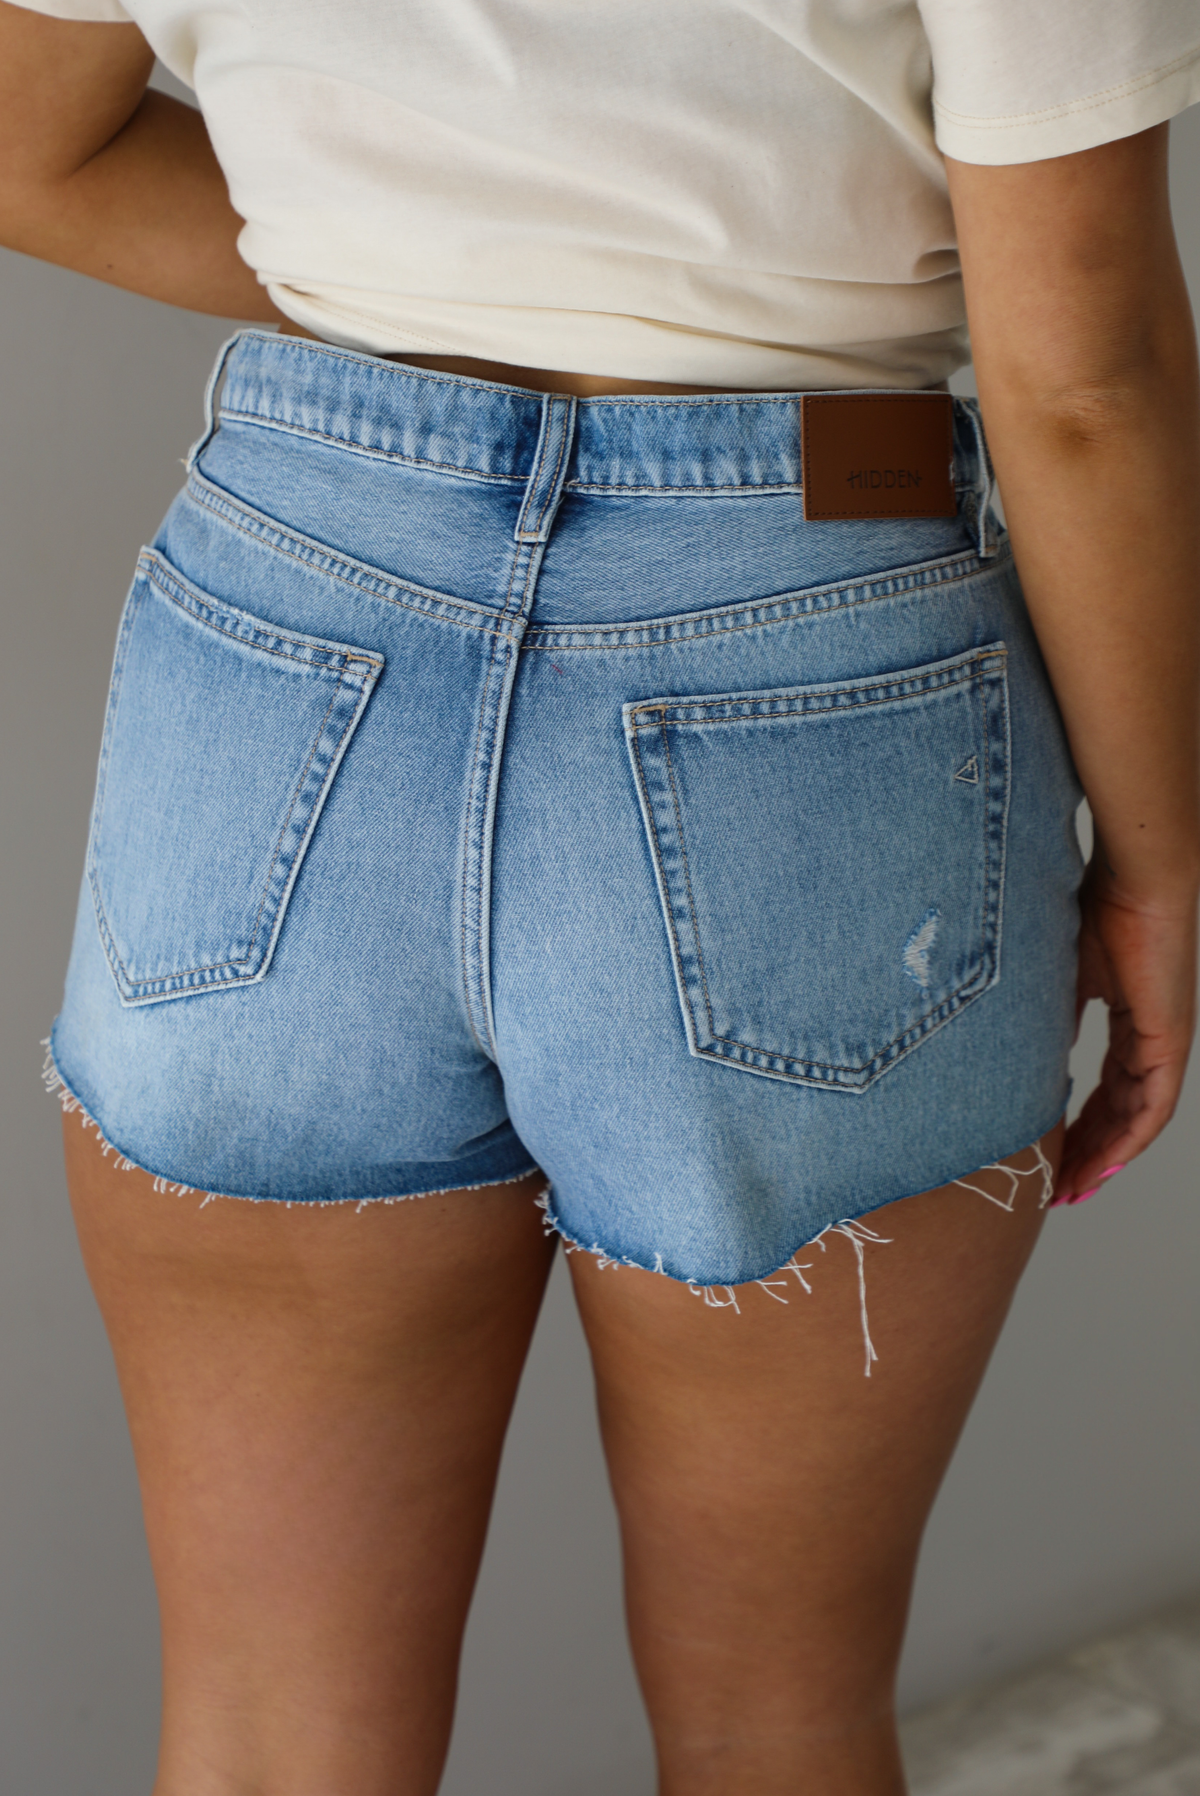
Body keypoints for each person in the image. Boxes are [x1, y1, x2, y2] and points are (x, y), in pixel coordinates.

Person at [2, 2, 1197, 1791]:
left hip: (289, 619)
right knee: (775, 1724)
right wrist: (1165, 857)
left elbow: (37, 145)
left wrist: (425, 343)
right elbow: (1083, 383)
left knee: (269, 1736)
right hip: (812, 642)